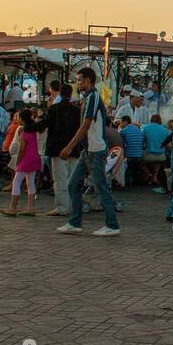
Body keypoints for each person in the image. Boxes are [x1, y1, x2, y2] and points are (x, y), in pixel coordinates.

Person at [56, 68, 120, 236]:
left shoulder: (93, 97)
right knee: (73, 184)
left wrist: (70, 146)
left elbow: (85, 125)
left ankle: (112, 225)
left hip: (95, 150)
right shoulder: (87, 98)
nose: (77, 83)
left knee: (101, 187)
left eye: (79, 80)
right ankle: (75, 222)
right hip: (88, 150)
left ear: (88, 81)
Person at [38, 83, 79, 217]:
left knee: (60, 179)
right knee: (72, 179)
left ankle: (62, 207)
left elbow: (45, 124)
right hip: (73, 148)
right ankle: (73, 205)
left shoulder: (54, 109)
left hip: (57, 149)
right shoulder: (76, 110)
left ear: (60, 94)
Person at [0, 108, 42, 217]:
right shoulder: (33, 129)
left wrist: (18, 160)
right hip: (35, 158)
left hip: (26, 159)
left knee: (16, 181)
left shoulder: (24, 132)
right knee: (30, 182)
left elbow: (22, 149)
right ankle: (30, 207)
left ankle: (13, 208)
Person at [141, 114, 170, 190]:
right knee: (157, 163)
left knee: (138, 160)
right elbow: (168, 144)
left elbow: (142, 141)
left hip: (148, 155)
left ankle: (148, 173)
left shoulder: (145, 128)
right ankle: (155, 177)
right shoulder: (165, 129)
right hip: (161, 156)